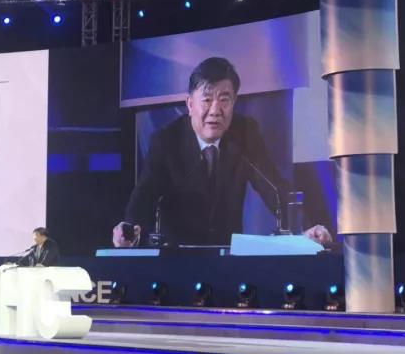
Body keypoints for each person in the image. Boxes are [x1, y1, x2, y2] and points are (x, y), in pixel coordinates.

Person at [113, 57, 332, 248]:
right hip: (177, 257)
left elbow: (274, 186)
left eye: (224, 100)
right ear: (190, 104)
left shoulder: (245, 132)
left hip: (226, 257)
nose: (215, 110)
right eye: (207, 100)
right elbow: (145, 194)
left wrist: (305, 229)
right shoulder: (166, 141)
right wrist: (130, 229)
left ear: (234, 102)